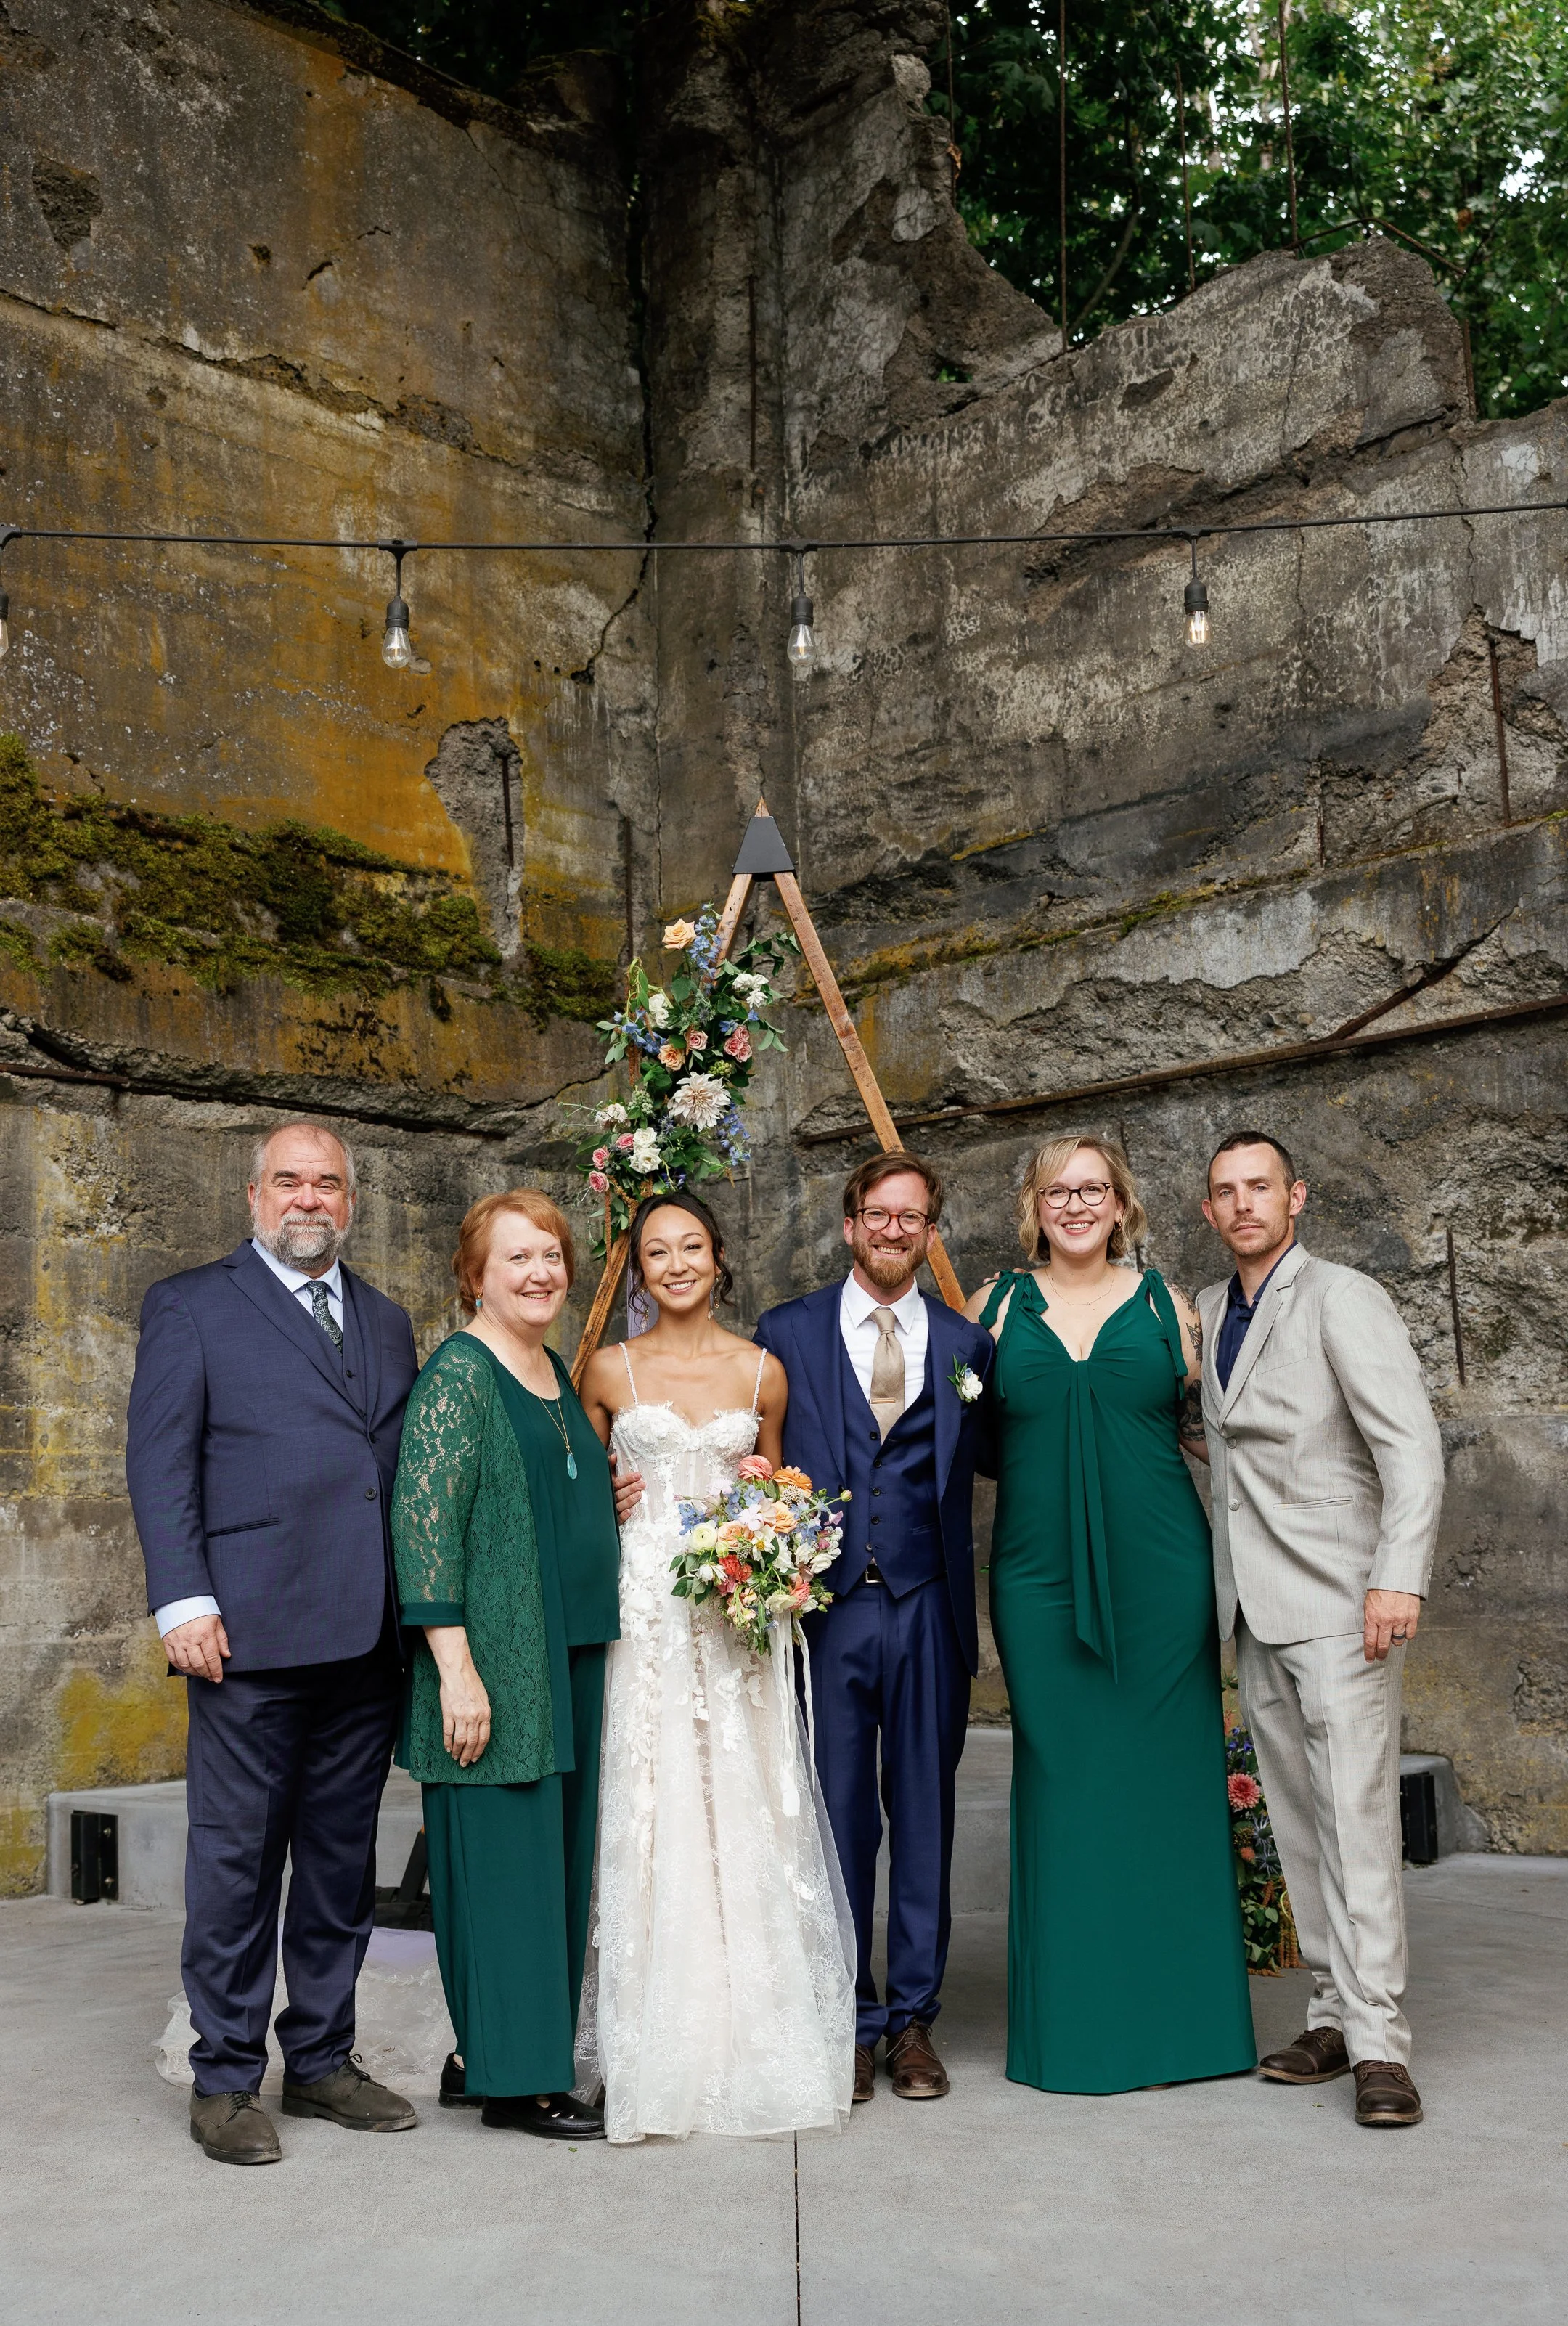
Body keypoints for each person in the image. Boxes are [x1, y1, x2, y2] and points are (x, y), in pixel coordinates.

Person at [126, 1122, 420, 2165]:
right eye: (289, 1182)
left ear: (351, 1202)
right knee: (238, 1864)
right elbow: (160, 1466)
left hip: (364, 1638)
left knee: (342, 1868)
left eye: (328, 1184)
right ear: (254, 1198)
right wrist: (182, 1601)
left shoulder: (388, 1323)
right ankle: (226, 2079)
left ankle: (325, 2061)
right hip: (243, 1635)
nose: (309, 1199)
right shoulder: (194, 1305)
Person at [965, 1133, 1255, 2096]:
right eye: (1059, 1190)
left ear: (1124, 1204)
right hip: (1038, 1578)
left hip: (1162, 1575)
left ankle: (1190, 2030)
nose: (1077, 1204)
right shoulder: (993, 1309)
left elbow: (1225, 1435)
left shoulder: (1172, 1305)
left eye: (1094, 1189)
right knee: (1067, 1783)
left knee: (1168, 1787)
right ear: (1034, 1206)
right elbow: (946, 1440)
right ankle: (1076, 2031)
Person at [577, 1190, 855, 2142]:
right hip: (646, 1613)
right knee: (651, 1803)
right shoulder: (608, 1369)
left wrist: (777, 1552)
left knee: (743, 1801)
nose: (677, 1263)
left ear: (719, 1254)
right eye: (657, 1251)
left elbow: (778, 1491)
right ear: (639, 1269)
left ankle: (754, 2030)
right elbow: (579, 1486)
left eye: (691, 1245)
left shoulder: (763, 1373)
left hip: (732, 1619)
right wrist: (607, 1498)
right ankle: (648, 2041)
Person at [1197, 1130, 1444, 2129]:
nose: (1243, 1203)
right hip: (1253, 1607)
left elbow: (1412, 1448)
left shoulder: (1343, 1298)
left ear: (1294, 1196)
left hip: (1346, 1606)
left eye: (1260, 1186)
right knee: (1298, 1824)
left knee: (1358, 1819)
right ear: (1209, 1212)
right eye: (1225, 1192)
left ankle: (1383, 2044)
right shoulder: (1209, 1311)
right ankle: (1333, 2013)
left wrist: (1397, 1579)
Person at [754, 1152, 995, 2104]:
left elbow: (1005, 1459)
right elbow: (749, 1460)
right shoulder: (786, 1333)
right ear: (850, 1224)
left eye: (913, 1217)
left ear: (929, 1231)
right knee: (839, 1817)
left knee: (925, 1818)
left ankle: (914, 2022)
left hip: (929, 1604)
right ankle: (849, 2016)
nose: (895, 1230)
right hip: (830, 1609)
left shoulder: (971, 1347)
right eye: (878, 1214)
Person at [391, 1189, 624, 2140]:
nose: (541, 1273)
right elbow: (423, 1522)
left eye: (552, 1256)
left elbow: (535, 1489)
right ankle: (519, 2086)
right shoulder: (459, 1373)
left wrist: (609, 1493)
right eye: (518, 1258)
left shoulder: (549, 1367)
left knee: (551, 1869)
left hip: (564, 1655)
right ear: (475, 1275)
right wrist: (456, 1668)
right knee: (504, 1875)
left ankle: (478, 2056)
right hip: (494, 1665)